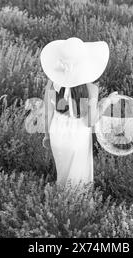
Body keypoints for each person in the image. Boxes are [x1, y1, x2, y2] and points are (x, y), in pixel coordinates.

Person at [39, 37, 109, 188]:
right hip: (78, 137)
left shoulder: (52, 84)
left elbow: (47, 113)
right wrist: (106, 103)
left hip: (57, 134)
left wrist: (47, 135)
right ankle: (76, 207)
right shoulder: (91, 89)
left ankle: (59, 204)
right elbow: (90, 121)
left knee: (63, 175)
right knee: (79, 179)